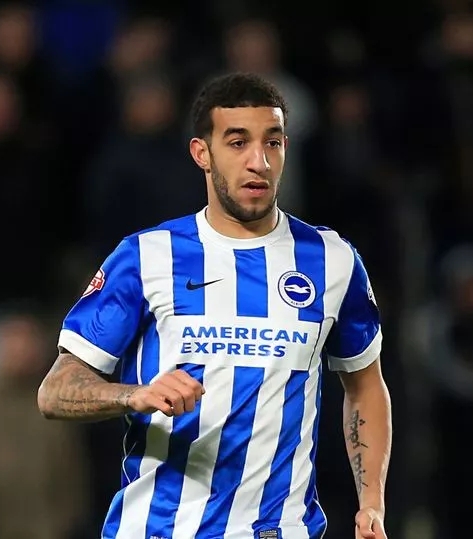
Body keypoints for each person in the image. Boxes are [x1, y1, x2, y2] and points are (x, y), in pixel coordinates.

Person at [38, 72, 392, 539]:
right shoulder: (148, 256)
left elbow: (365, 386)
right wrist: (134, 394)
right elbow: (56, 390)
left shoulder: (332, 261)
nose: (258, 162)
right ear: (201, 153)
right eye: (238, 143)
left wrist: (372, 503)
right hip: (160, 529)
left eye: (272, 143)